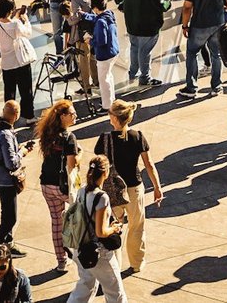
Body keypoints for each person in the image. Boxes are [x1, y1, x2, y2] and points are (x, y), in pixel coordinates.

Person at [93, 99, 163, 274]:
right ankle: (137, 263)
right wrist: (157, 187)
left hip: (112, 192)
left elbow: (100, 165)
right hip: (134, 189)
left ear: (115, 118)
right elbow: (149, 165)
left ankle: (114, 265)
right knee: (137, 227)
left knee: (113, 228)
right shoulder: (138, 136)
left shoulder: (105, 139)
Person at [66, 156, 127, 303]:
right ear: (105, 173)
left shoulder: (81, 191)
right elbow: (101, 232)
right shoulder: (101, 197)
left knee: (86, 285)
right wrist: (114, 228)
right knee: (115, 292)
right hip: (99, 253)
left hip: (81, 248)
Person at [35, 100, 80, 270]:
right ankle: (79, 254)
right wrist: (80, 153)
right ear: (63, 117)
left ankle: (61, 261)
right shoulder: (69, 138)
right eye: (72, 114)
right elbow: (72, 164)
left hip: (46, 184)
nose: (75, 116)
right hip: (64, 187)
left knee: (56, 221)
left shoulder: (47, 132)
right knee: (79, 218)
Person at [116, 0, 169, 88]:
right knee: (145, 52)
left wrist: (125, 5)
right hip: (149, 25)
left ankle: (133, 73)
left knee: (134, 48)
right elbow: (162, 5)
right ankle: (145, 78)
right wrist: (168, 4)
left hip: (132, 23)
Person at [0, 100, 27, 253]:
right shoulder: (5, 135)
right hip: (6, 182)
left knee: (6, 214)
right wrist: (22, 153)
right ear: (16, 115)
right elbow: (11, 163)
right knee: (10, 219)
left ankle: (8, 243)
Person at [0, 0, 40, 122]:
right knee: (26, 91)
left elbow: (8, 25)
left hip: (6, 63)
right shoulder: (15, 24)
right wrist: (25, 19)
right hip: (20, 61)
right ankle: (29, 115)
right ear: (10, 10)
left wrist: (16, 17)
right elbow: (27, 33)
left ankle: (8, 116)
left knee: (9, 92)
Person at [85, 0, 122, 110]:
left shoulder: (100, 22)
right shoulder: (109, 14)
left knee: (103, 81)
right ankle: (112, 100)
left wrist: (89, 41)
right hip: (113, 51)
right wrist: (84, 15)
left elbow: (101, 41)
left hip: (104, 54)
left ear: (95, 8)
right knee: (109, 76)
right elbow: (96, 18)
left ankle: (107, 106)